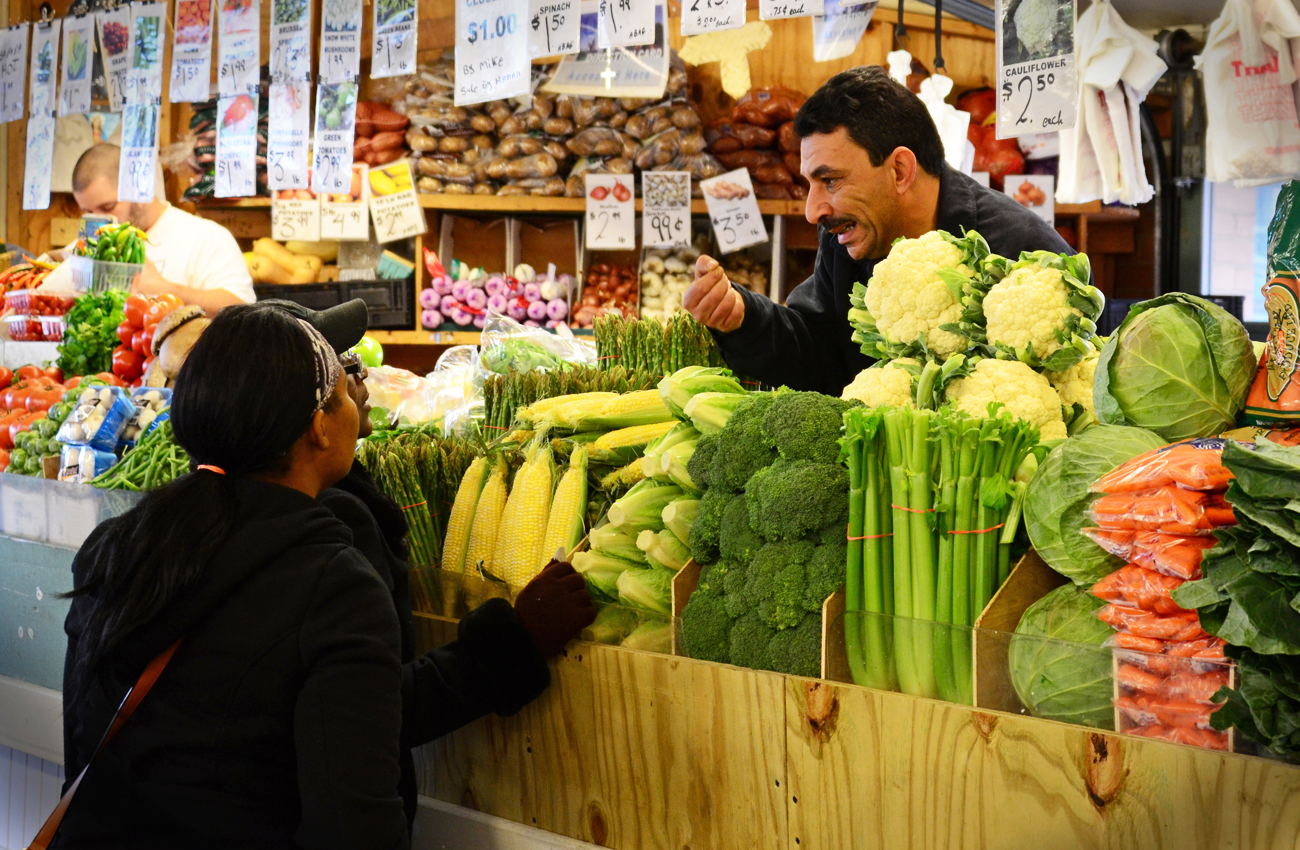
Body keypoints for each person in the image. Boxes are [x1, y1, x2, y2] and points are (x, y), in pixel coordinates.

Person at [59, 305, 408, 849]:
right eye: (342, 393)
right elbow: (354, 827)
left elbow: (82, 752)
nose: (353, 403)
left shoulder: (115, 547)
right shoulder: (335, 586)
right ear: (318, 427)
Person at [263, 298, 597, 828]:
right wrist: (518, 637)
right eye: (346, 372)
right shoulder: (327, 538)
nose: (362, 383)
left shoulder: (242, 520)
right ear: (315, 426)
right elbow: (374, 712)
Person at [684, 66, 1072, 396]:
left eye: (830, 181)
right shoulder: (848, 235)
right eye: (810, 185)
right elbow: (820, 354)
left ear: (900, 171)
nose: (811, 210)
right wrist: (743, 318)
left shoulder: (1023, 252)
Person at [68, 144, 255, 312]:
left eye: (108, 207)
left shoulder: (207, 237)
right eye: (88, 212)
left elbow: (242, 309)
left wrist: (166, 290)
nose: (101, 222)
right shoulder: (89, 245)